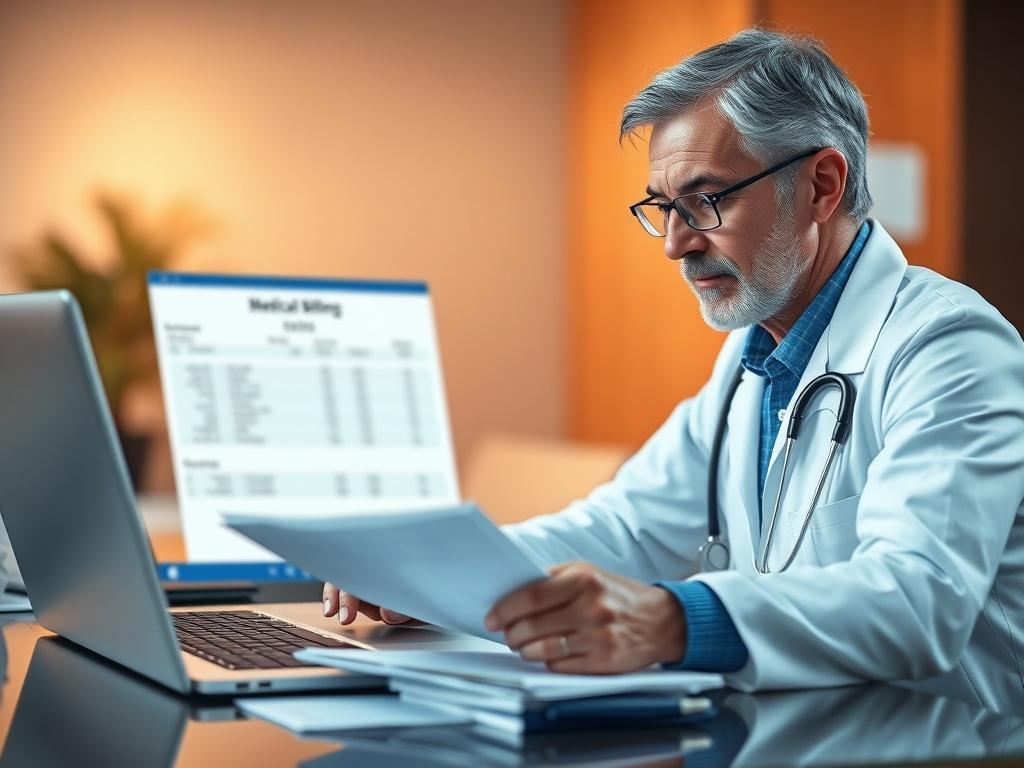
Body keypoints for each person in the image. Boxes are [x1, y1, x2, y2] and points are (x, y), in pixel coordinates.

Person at [324, 29, 1024, 712]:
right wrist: (435, 574)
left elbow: (916, 602)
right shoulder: (752, 356)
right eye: (664, 208)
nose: (675, 244)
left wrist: (671, 619)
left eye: (706, 200)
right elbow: (624, 529)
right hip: (797, 736)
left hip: (948, 746)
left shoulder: (950, 347)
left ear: (821, 185)